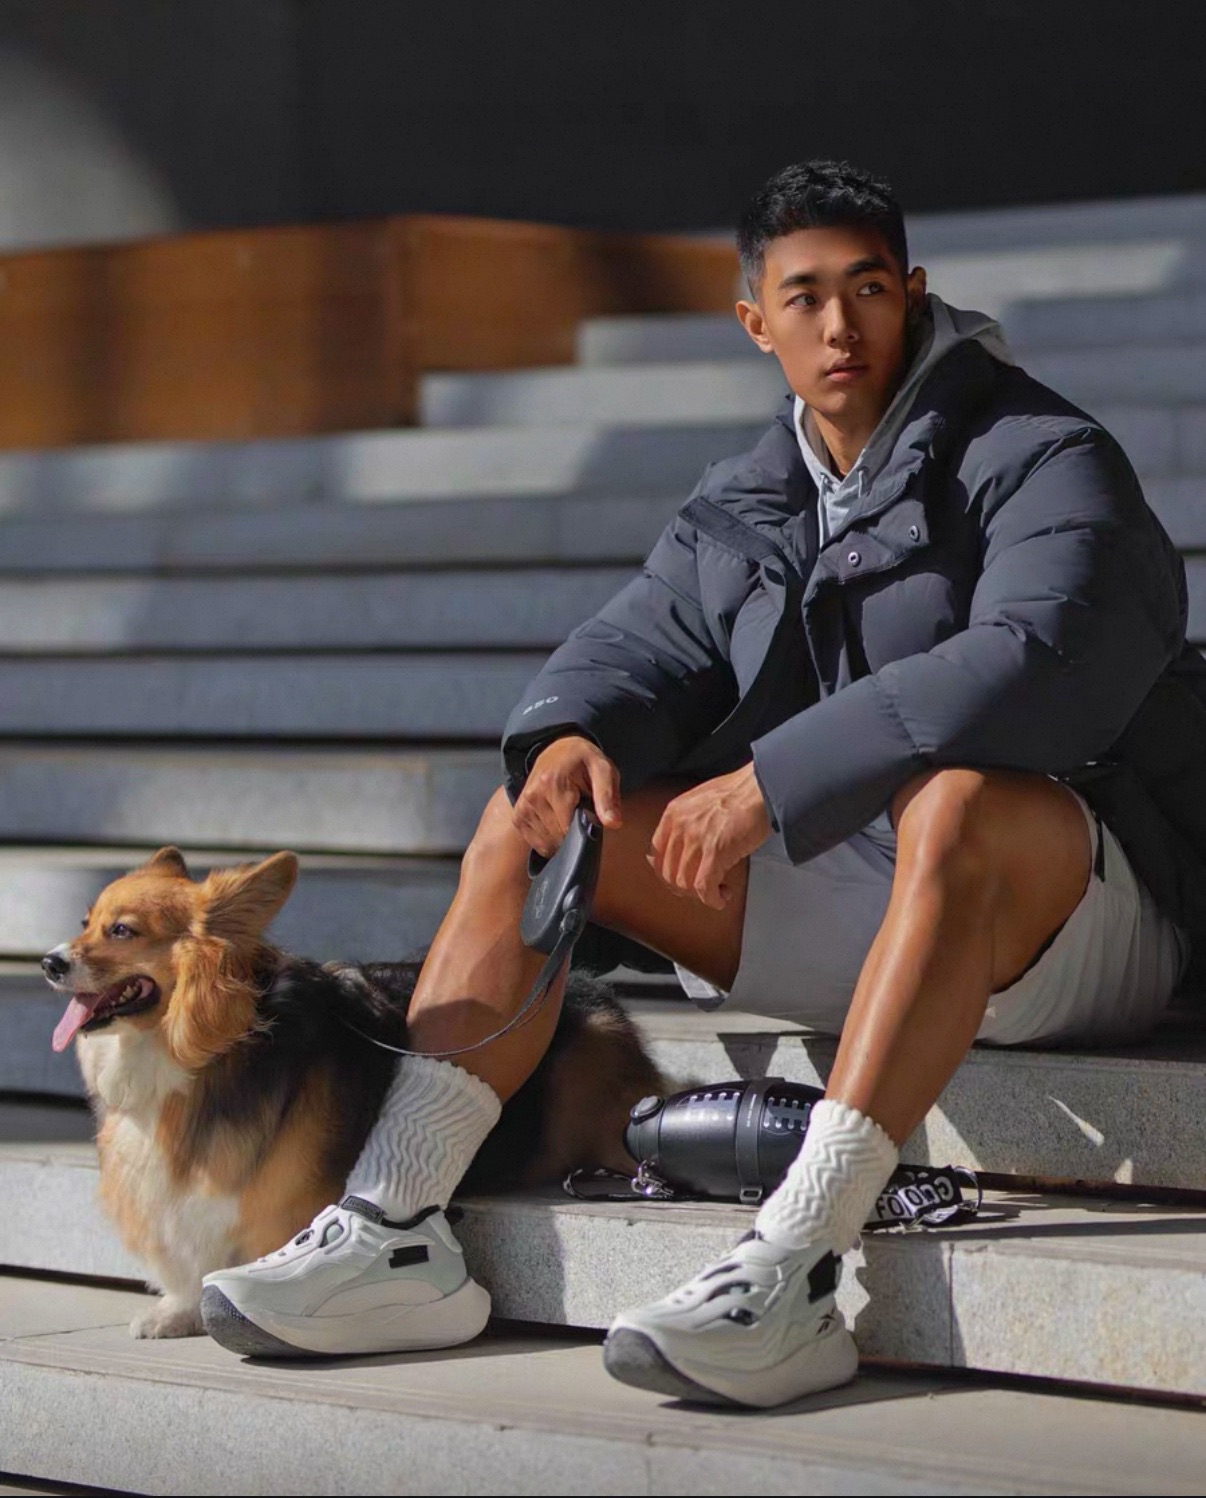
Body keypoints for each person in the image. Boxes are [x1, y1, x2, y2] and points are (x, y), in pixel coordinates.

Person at [203, 159, 1201, 1408]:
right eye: (804, 297)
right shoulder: (748, 498)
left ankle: (797, 1266)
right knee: (537, 820)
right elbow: (637, 646)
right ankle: (393, 1228)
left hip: (1074, 911)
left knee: (951, 802)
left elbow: (1041, 651)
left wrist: (773, 781)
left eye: (868, 289)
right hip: (874, 903)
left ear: (913, 294)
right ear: (754, 321)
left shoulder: (1040, 453)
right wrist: (570, 732)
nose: (839, 325)